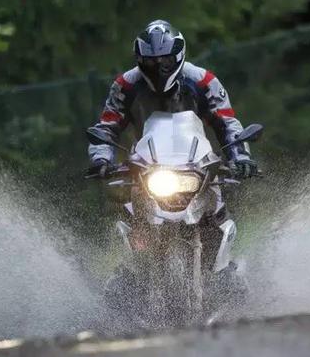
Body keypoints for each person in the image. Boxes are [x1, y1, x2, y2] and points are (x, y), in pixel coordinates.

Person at [86, 20, 259, 312]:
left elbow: (228, 122)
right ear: (140, 59)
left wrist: (240, 157)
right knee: (132, 220)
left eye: (165, 60)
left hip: (198, 164)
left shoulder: (204, 81)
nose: (159, 67)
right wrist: (101, 159)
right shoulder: (125, 85)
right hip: (147, 167)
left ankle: (222, 272)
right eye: (151, 62)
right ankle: (130, 283)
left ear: (178, 55)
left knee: (216, 211)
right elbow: (106, 126)